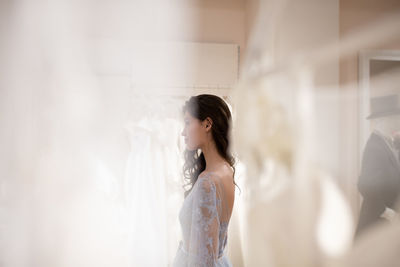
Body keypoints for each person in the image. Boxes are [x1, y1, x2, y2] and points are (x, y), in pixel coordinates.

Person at [172, 94, 238, 267]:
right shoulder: (226, 169)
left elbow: (203, 262)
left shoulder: (207, 182)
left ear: (207, 124)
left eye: (187, 123)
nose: (183, 132)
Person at [355, 94, 400, 238]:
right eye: (393, 118)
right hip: (376, 222)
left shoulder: (387, 141)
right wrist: (389, 213)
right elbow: (365, 186)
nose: (397, 122)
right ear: (381, 120)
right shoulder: (375, 147)